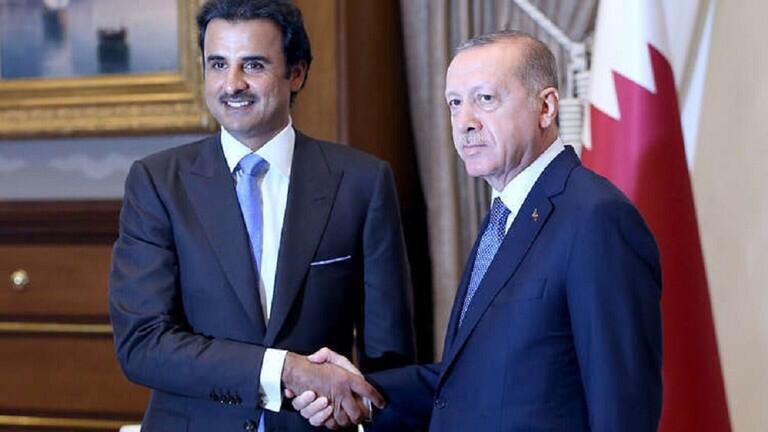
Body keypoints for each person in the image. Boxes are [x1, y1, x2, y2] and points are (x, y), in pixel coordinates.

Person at [291, 30, 663, 431]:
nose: (464, 122)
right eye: (455, 103)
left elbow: (621, 407)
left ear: (546, 107)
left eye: (485, 99)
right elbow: (473, 380)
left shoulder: (596, 217)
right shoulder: (506, 212)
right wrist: (360, 391)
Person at [108, 0, 415, 431]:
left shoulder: (361, 182)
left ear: (296, 73)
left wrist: (357, 406)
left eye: (253, 65)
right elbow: (143, 344)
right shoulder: (157, 183)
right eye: (218, 64)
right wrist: (285, 369)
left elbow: (390, 359)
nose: (232, 84)